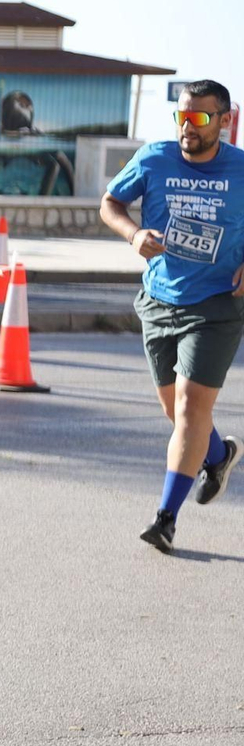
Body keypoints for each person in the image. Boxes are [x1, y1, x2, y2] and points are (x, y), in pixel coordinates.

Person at [100, 79, 244, 553]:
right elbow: (110, 203)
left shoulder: (241, 171)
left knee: (188, 408)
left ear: (223, 121)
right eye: (181, 116)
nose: (188, 127)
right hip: (159, 302)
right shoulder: (154, 158)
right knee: (176, 412)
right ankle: (219, 456)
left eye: (200, 118)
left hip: (218, 305)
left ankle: (165, 519)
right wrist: (132, 234)